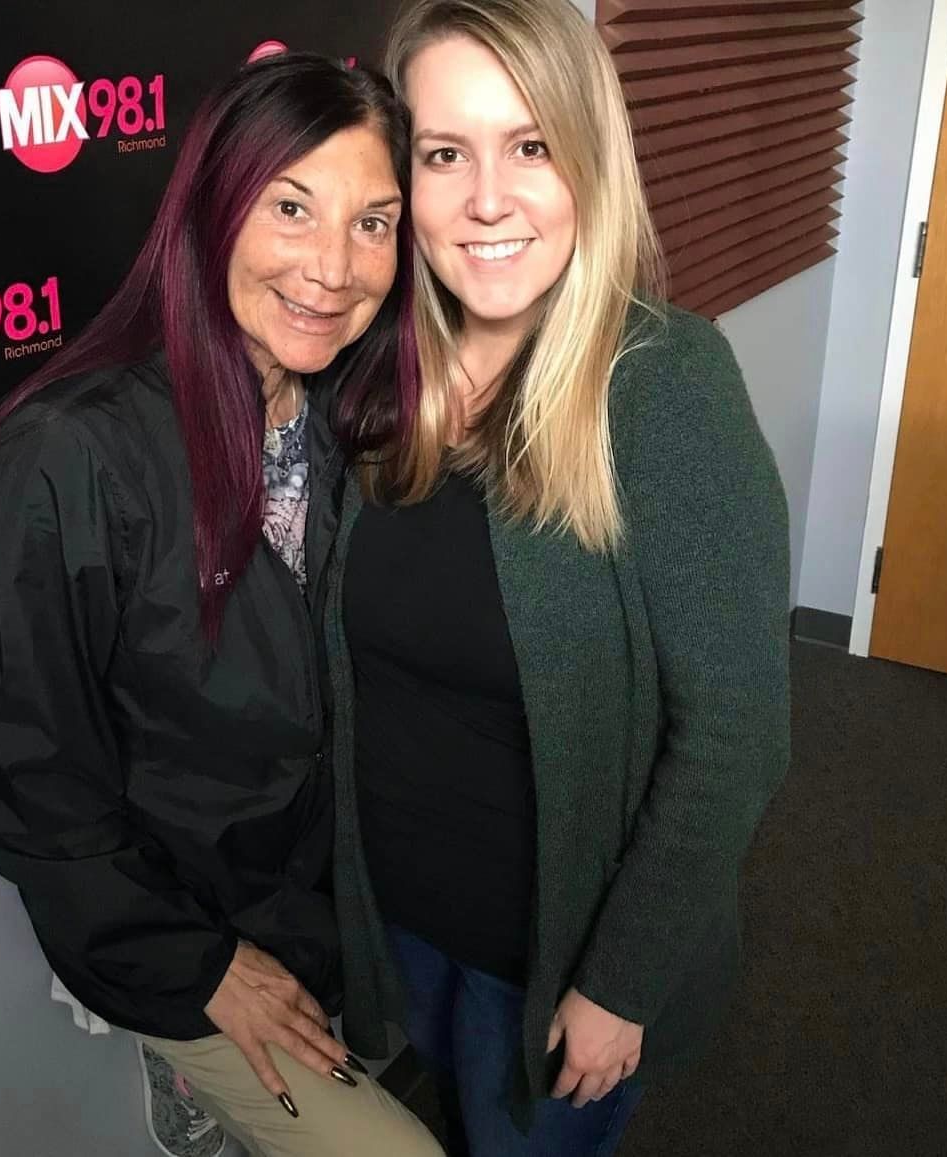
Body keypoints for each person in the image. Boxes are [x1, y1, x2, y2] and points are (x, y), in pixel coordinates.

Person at [0, 53, 443, 1157]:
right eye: (292, 208)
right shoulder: (71, 458)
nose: (334, 266)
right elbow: (41, 800)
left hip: (323, 901)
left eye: (375, 222)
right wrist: (203, 970)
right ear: (212, 211)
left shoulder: (341, 413)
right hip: (177, 931)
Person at [324, 2, 792, 1155]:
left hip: (555, 961)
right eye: (446, 153)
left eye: (530, 145)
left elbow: (737, 732)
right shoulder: (380, 371)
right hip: (405, 919)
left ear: (590, 156)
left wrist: (622, 981)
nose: (488, 198)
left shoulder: (667, 387)